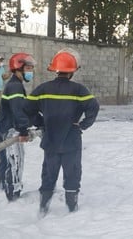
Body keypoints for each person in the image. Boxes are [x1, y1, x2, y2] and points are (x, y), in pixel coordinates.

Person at [25, 49, 99, 215]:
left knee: (48, 175)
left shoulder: (43, 89)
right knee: (72, 174)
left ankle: (43, 209)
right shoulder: (79, 90)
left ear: (55, 69)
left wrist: (41, 123)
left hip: (50, 140)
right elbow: (93, 107)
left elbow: (27, 108)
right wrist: (82, 125)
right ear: (72, 71)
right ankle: (72, 210)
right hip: (71, 141)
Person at [0, 52, 39, 201]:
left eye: (31, 68)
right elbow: (18, 111)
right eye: (28, 68)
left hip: (6, 128)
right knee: (15, 163)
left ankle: (5, 189)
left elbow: (24, 110)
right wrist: (23, 130)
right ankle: (12, 195)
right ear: (18, 68)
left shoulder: (16, 84)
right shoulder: (15, 86)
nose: (30, 71)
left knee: (8, 161)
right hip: (10, 131)